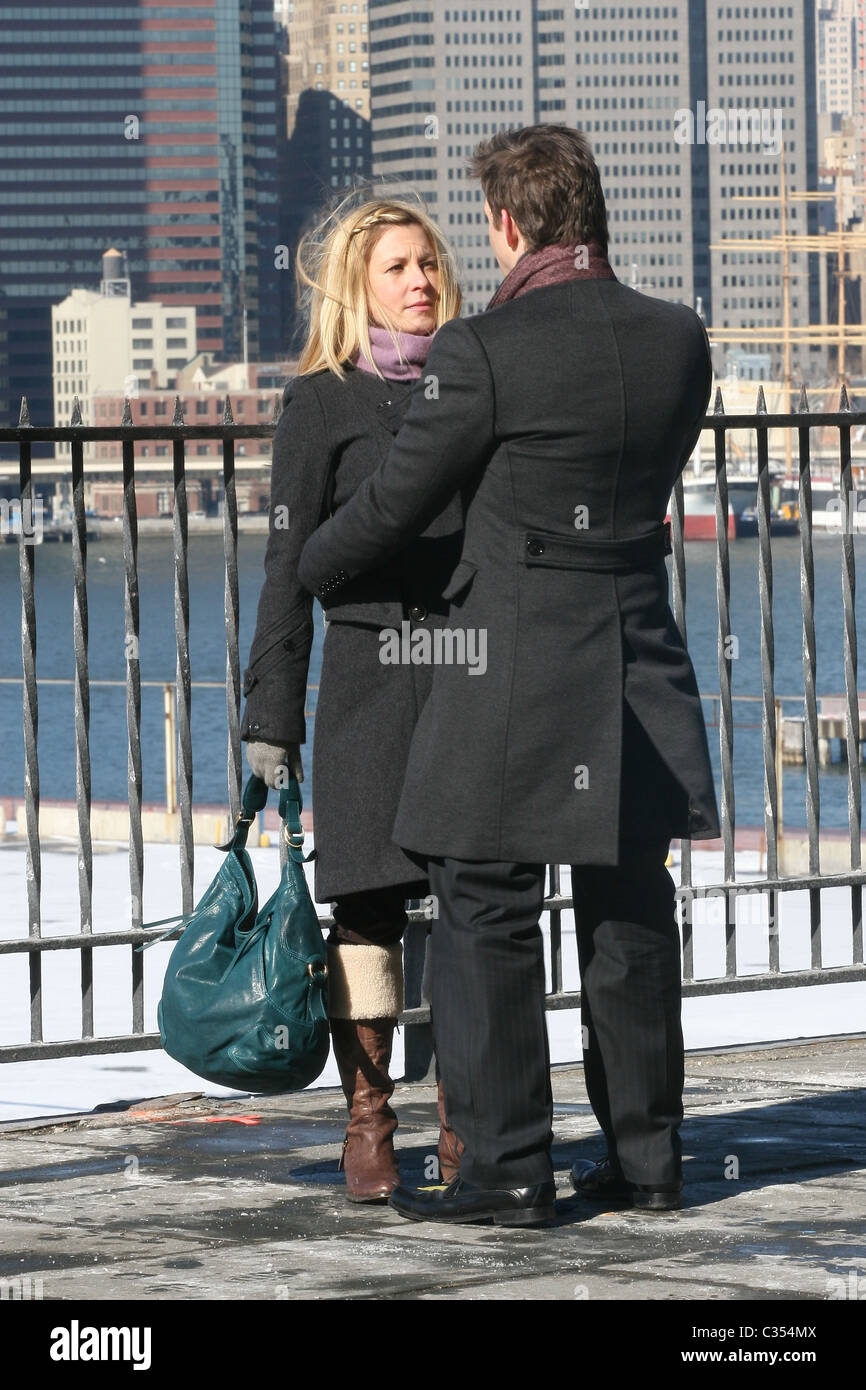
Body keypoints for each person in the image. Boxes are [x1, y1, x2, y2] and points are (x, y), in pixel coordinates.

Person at [297, 126, 721, 1227]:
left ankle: (506, 1167)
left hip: (513, 673)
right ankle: (647, 1159)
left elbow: (394, 501)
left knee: (485, 904)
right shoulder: (679, 337)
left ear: (506, 224)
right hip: (637, 658)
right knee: (627, 906)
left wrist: (313, 561)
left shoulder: (482, 350)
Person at [240, 194, 465, 1203]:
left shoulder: (475, 384)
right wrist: (268, 718)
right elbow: (289, 566)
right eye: (395, 267)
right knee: (366, 906)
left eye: (427, 263)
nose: (418, 280)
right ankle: (369, 1116)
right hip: (367, 674)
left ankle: (468, 1116)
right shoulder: (320, 403)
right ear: (355, 287)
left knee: (476, 904)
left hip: (470, 667)